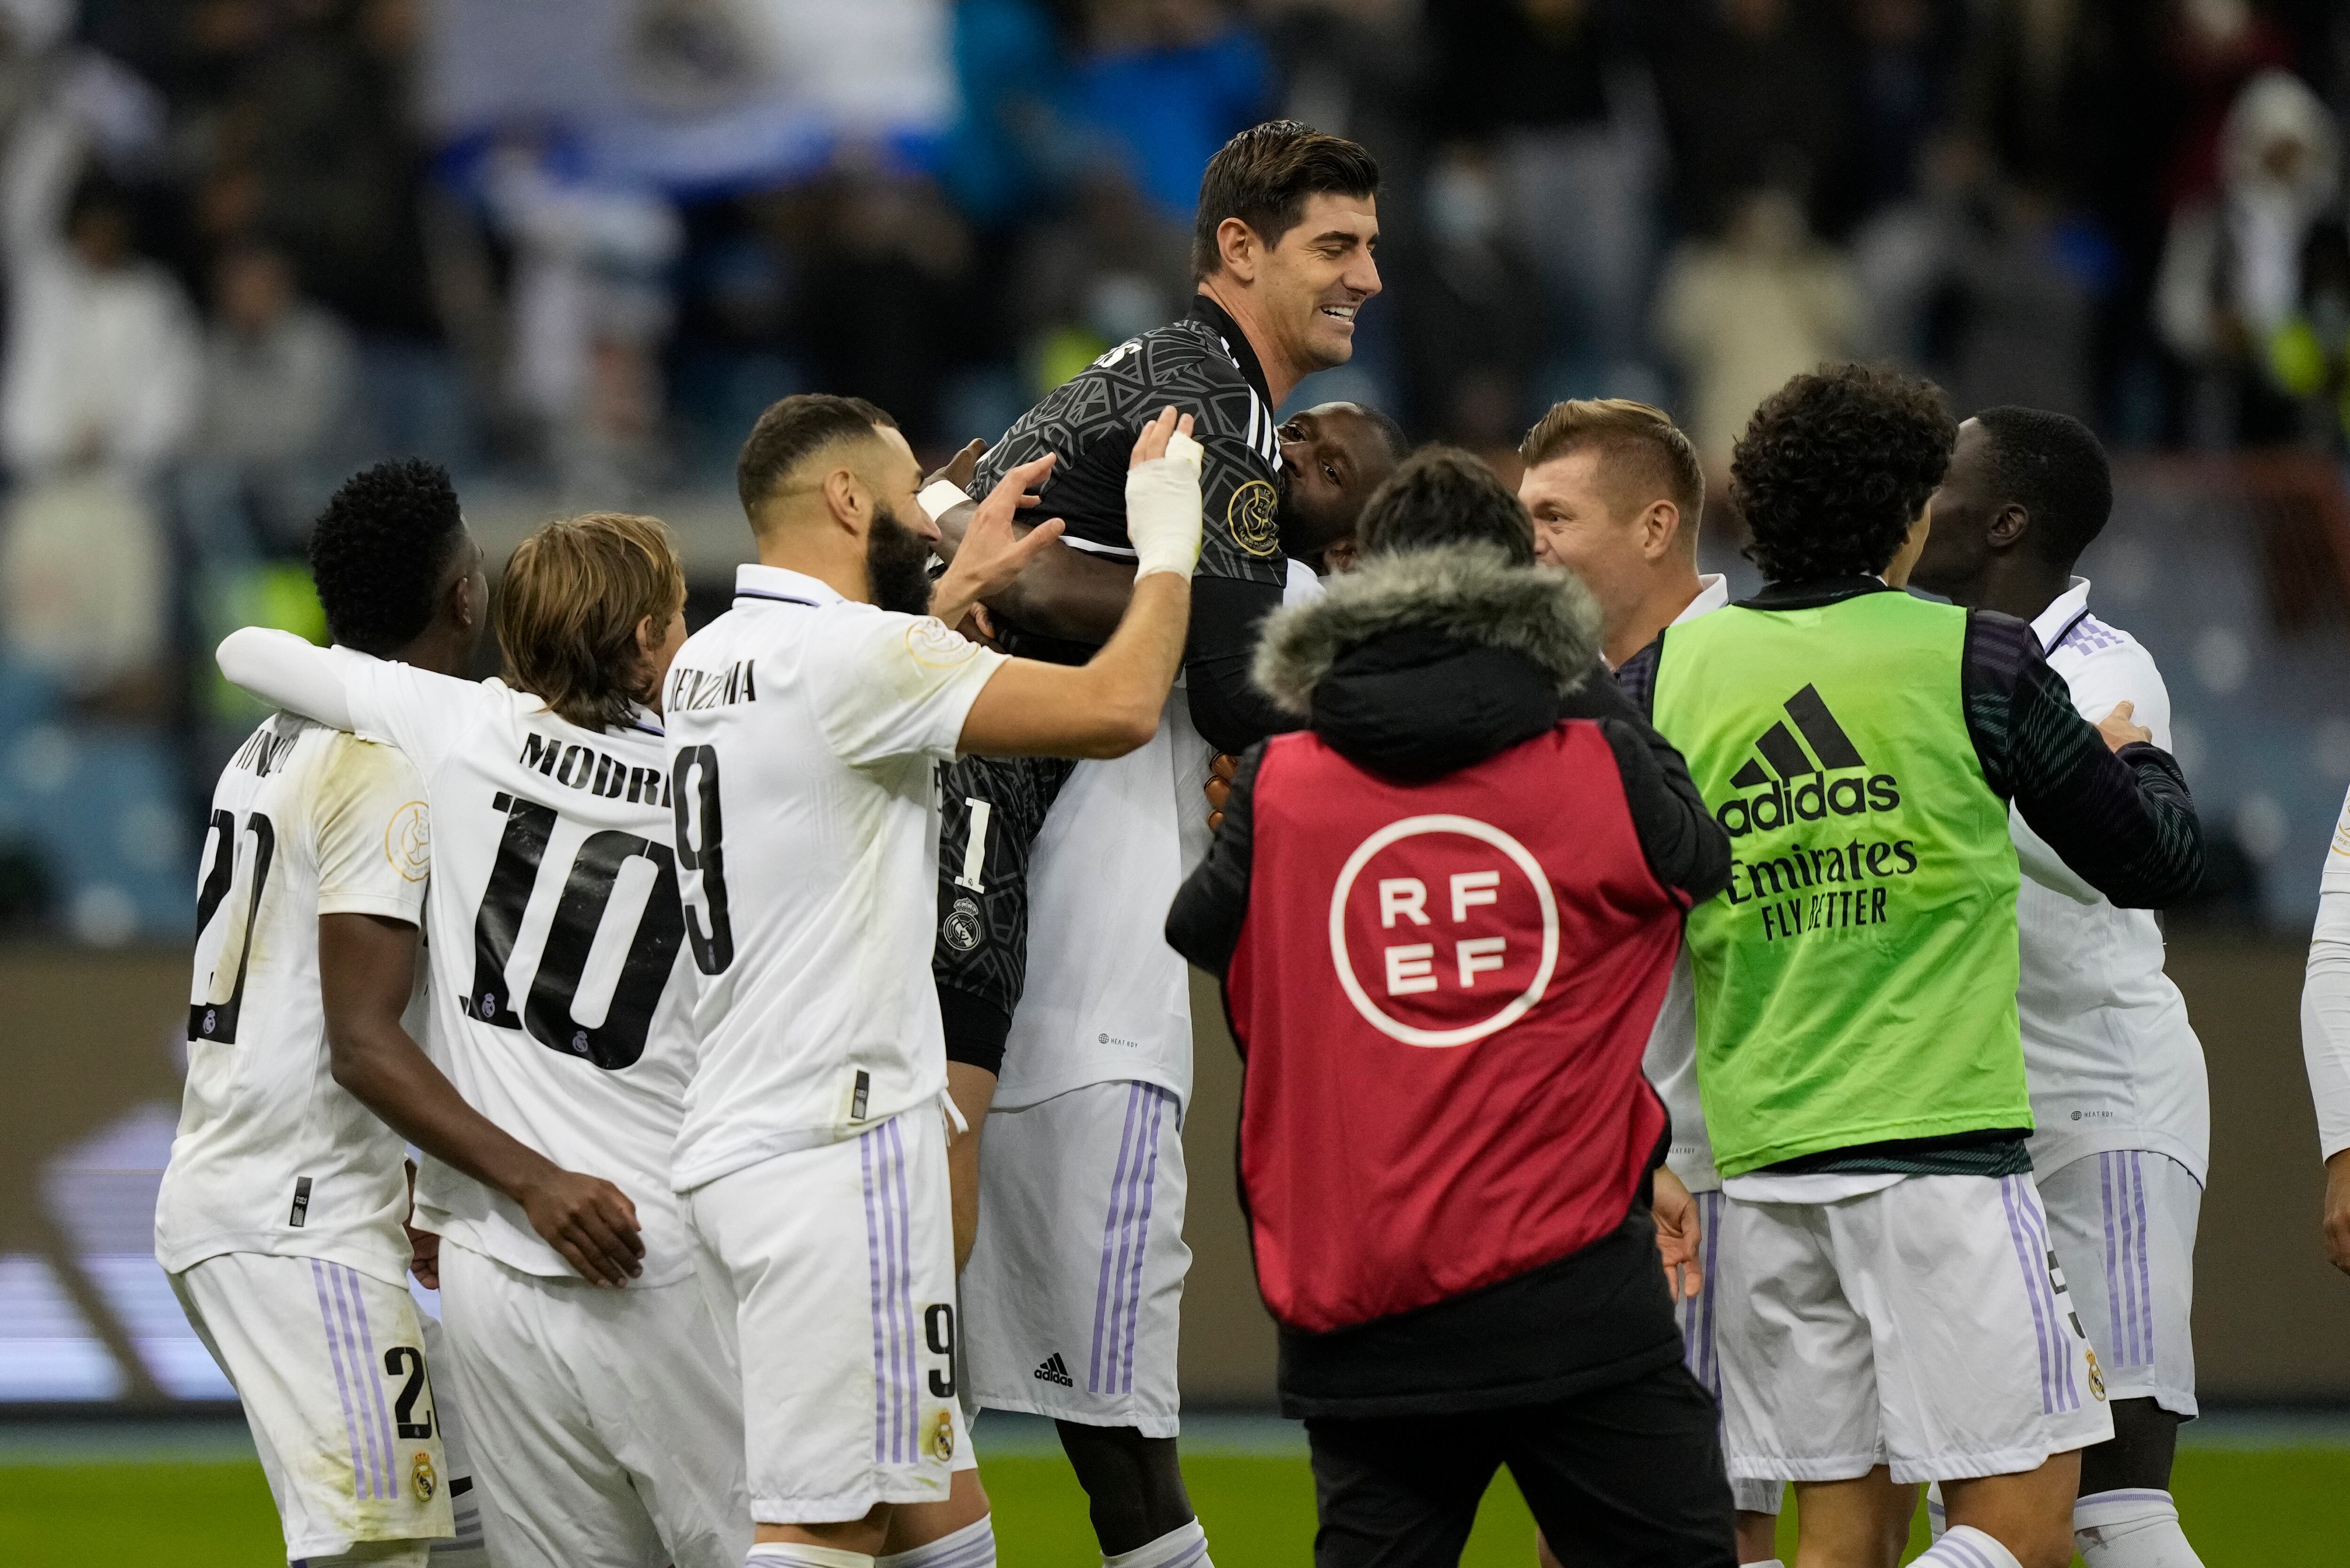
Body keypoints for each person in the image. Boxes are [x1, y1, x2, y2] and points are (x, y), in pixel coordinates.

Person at [1617, 364, 2205, 1568]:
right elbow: (2151, 858)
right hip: (1939, 1157)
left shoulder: (1658, 680)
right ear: (1905, 514)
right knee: (2035, 1521)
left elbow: (1606, 915)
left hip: (1762, 1161)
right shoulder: (1975, 660)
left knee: (1839, 1536)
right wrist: (2140, 760)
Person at [921, 120, 1383, 1568]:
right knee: (1101, 1416)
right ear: (1238, 250)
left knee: (923, 1404)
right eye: (1337, 246)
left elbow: (984, 528)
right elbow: (1234, 683)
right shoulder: (1212, 406)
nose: (1369, 276)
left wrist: (955, 531)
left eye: (1371, 246)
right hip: (1060, 949)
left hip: (987, 917)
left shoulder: (1136, 379)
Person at [1166, 447, 1735, 1568]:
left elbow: (1205, 929)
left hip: (1362, 1300)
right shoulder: (1595, 759)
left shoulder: (1285, 780)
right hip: (1573, 1290)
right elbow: (1694, 858)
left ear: (1366, 580)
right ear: (1521, 580)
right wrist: (1558, 660)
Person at [660, 393, 1204, 1568]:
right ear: (848, 499)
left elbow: (852, 696)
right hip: (836, 1152)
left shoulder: (706, 661)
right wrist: (1167, 548)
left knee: (936, 1521)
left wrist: (949, 599)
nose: (930, 519)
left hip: (741, 1146)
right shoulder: (859, 659)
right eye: (912, 496)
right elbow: (1116, 710)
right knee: (824, 1528)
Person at [216, 479, 757, 1568]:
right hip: (653, 1243)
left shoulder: (464, 732)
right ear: (653, 640)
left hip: (494, 1264)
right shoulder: (728, 781)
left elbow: (247, 652)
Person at [157, 462, 479, 1568]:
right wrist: (530, 1177)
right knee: (374, 1545)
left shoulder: (272, 739)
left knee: (500, 1508)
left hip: (269, 1189)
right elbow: (361, 1040)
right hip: (296, 1220)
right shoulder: (385, 764)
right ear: (462, 595)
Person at [1908, 408, 2213, 1568]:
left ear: (2005, 521)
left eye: (1942, 477)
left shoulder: (2102, 665)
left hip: (2102, 1107)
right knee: (1983, 1512)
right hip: (1971, 1120)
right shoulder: (1927, 659)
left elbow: (2085, 834)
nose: (1914, 494)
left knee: (2115, 1502)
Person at [1516, 399, 1784, 1564]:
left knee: (1716, 1518)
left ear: (1655, 526)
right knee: (1587, 1517)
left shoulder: (1747, 680)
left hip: (1710, 1166)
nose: (1528, 543)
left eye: (1554, 517)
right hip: (1602, 1167)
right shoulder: (1571, 697)